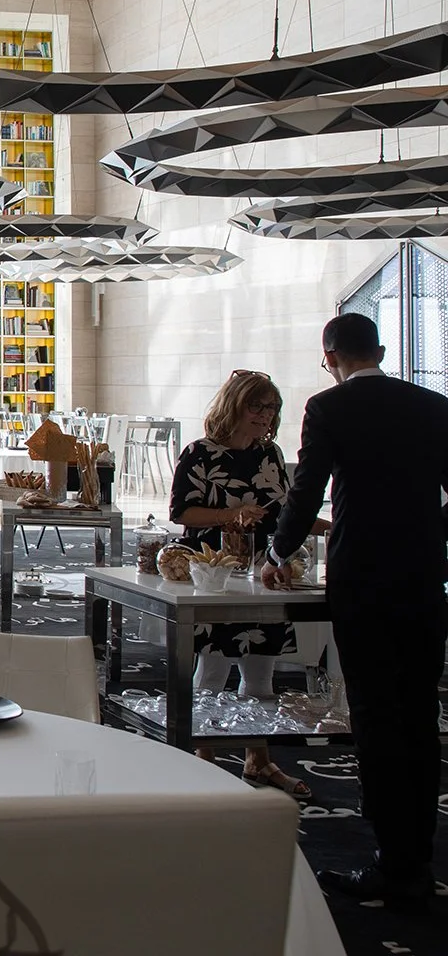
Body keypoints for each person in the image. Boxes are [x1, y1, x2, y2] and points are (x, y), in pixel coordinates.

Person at [269, 313, 448, 909]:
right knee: (419, 714)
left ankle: (393, 865)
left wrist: (278, 551)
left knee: (374, 715)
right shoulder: (434, 406)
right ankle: (417, 856)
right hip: (423, 579)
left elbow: (306, 491)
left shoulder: (329, 408)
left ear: (330, 358)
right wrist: (430, 535)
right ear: (382, 351)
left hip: (363, 579)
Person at [168, 370, 323, 800]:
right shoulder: (200, 453)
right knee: (213, 669)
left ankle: (258, 759)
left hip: (261, 571)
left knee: (261, 670)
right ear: (234, 405)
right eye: (257, 406)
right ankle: (203, 758)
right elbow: (182, 513)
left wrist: (329, 526)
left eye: (271, 408)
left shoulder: (269, 453)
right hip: (213, 573)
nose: (265, 415)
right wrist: (230, 516)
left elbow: (284, 512)